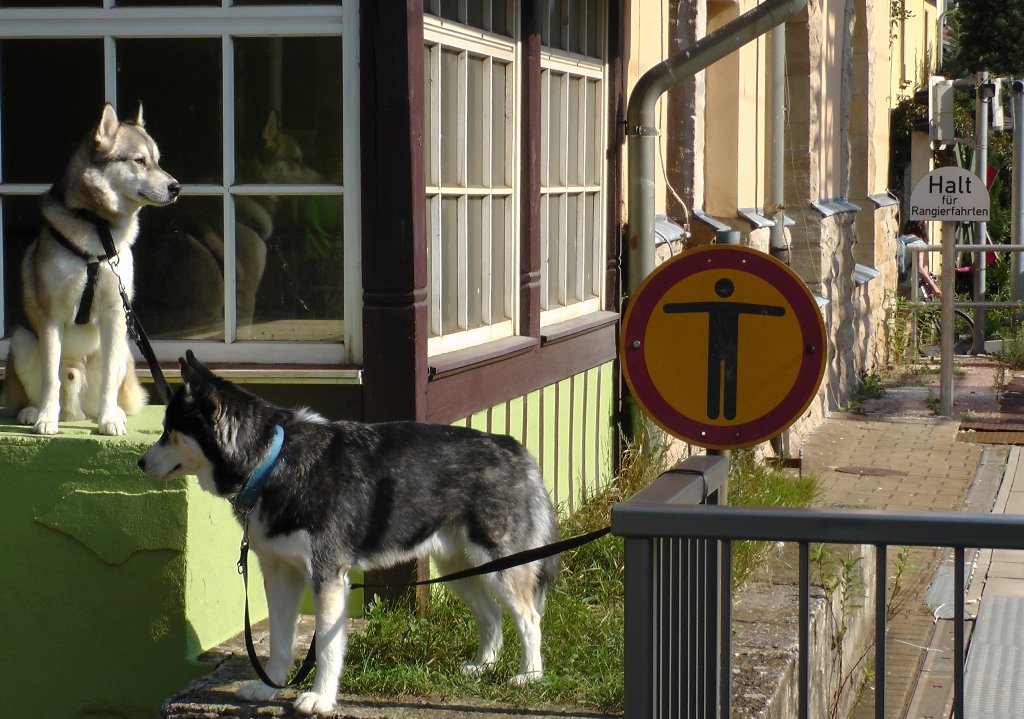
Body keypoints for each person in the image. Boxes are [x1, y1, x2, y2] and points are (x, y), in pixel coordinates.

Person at [896, 220, 942, 299]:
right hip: (909, 284)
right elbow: (919, 268)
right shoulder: (919, 243)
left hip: (897, 282)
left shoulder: (899, 240)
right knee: (910, 306)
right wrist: (934, 287)